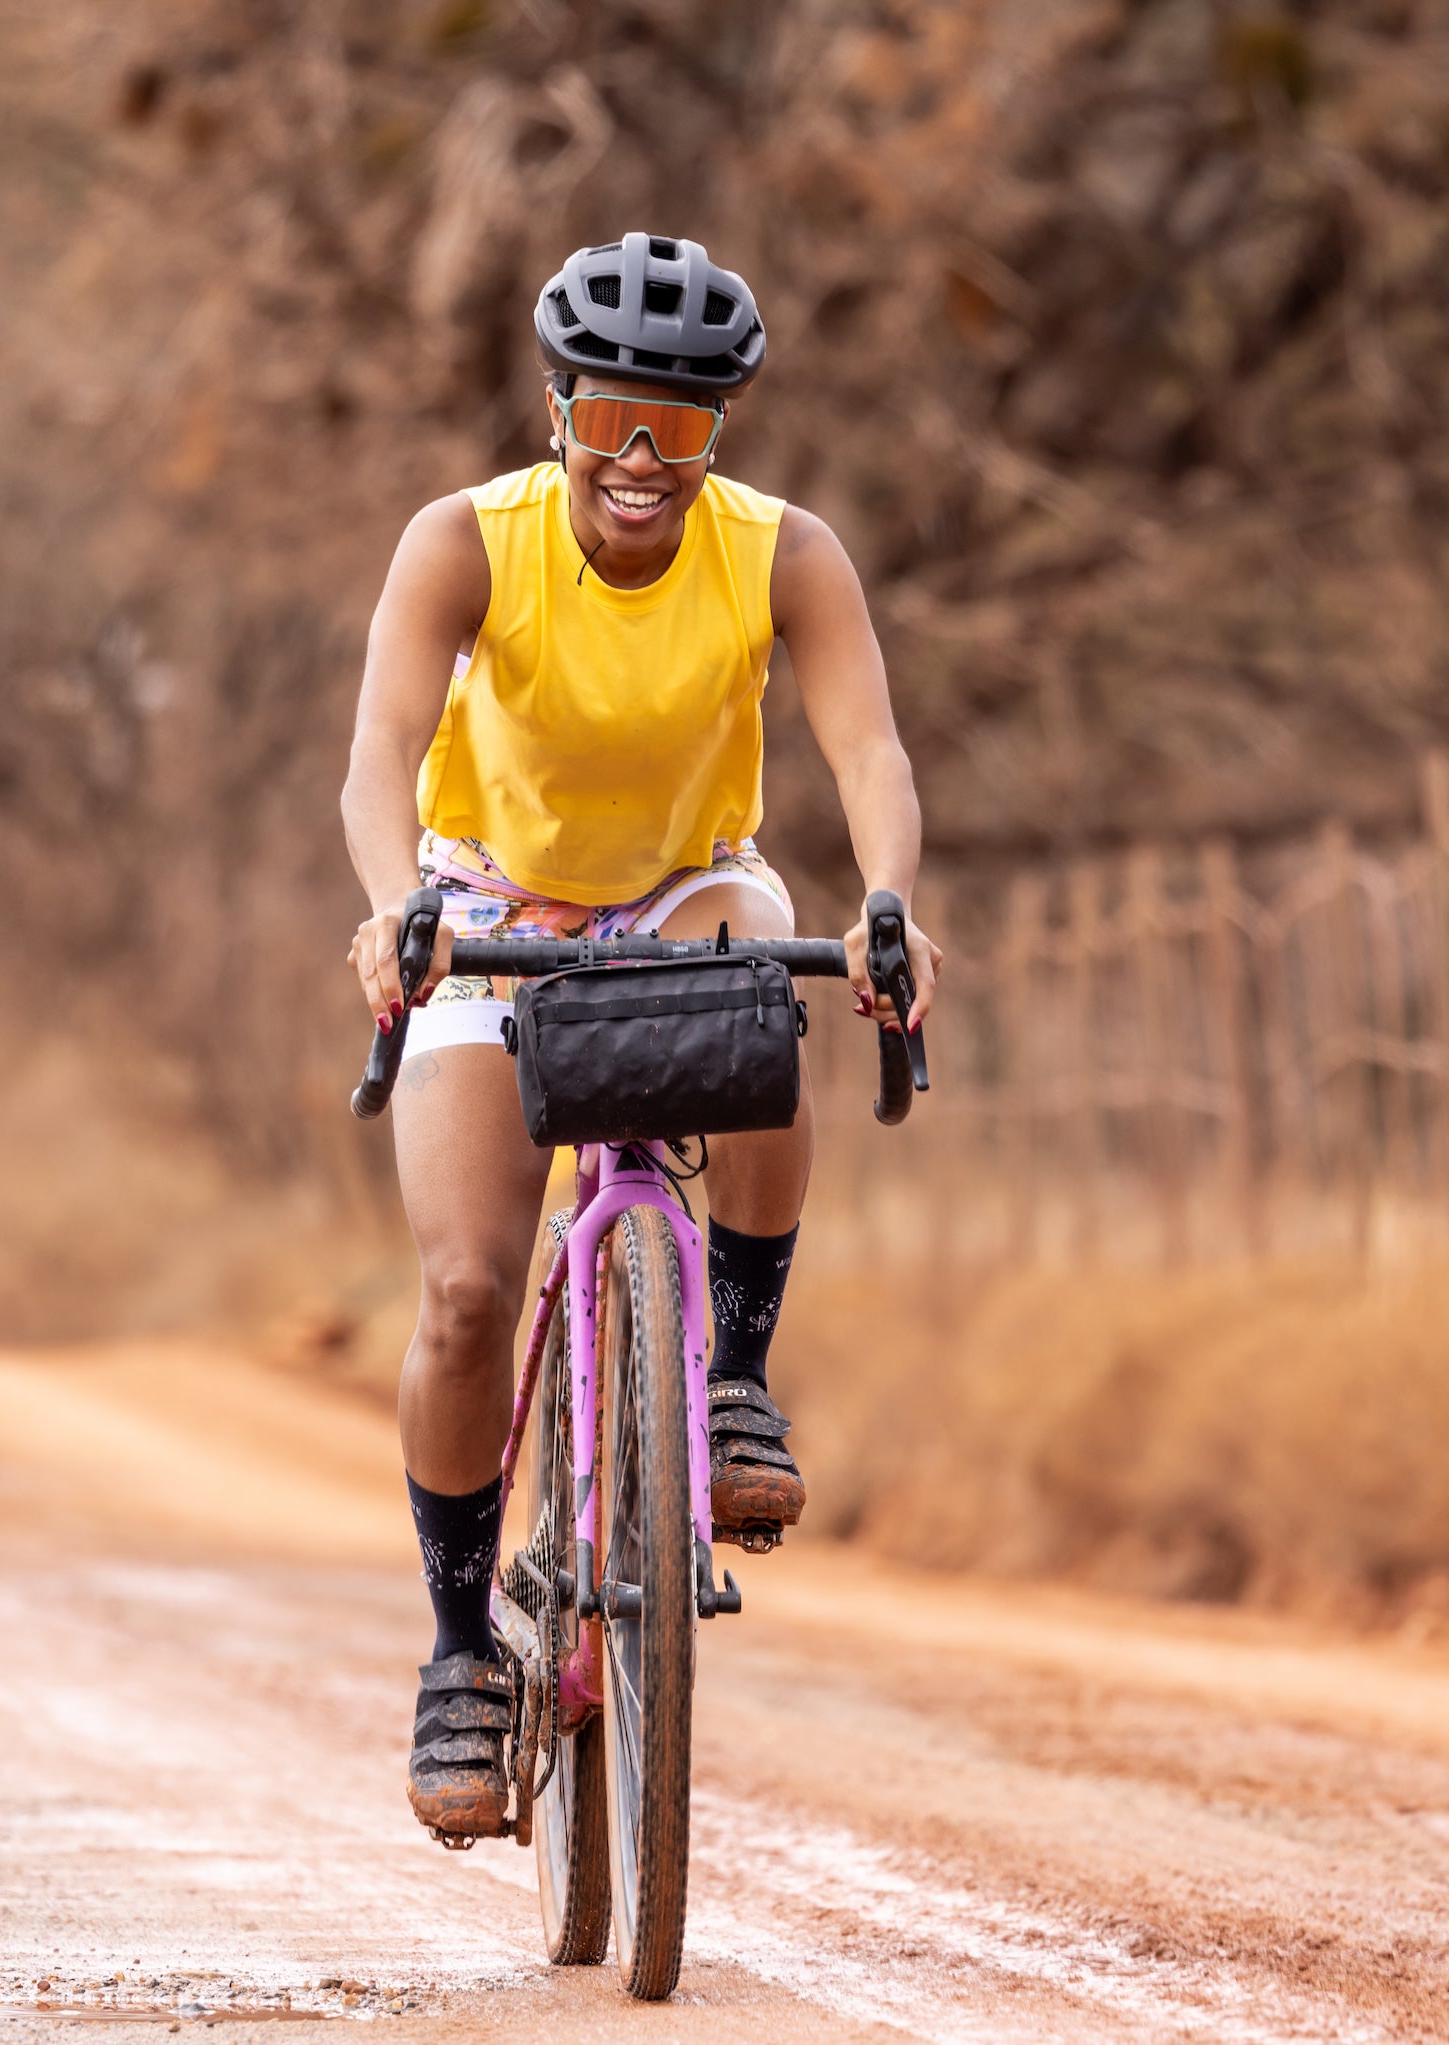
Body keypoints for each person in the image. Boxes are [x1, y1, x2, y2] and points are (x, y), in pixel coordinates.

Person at [341, 231, 940, 1840]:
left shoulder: (783, 554)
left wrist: (889, 900)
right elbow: (381, 745)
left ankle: (731, 1377)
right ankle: (464, 1649)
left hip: (686, 885)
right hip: (493, 896)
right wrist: (398, 900)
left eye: (679, 433)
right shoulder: (466, 542)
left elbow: (869, 746)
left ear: (718, 438)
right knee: (466, 1292)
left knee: (771, 968)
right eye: (613, 421)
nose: (640, 465)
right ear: (559, 411)